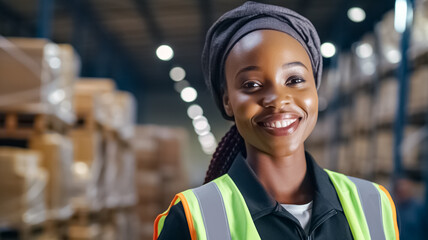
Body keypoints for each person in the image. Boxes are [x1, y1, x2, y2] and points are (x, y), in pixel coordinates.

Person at [153, 2, 400, 239]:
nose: (277, 99)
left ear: (315, 87)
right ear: (227, 101)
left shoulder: (374, 204)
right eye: (252, 84)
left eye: (294, 80)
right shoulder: (192, 219)